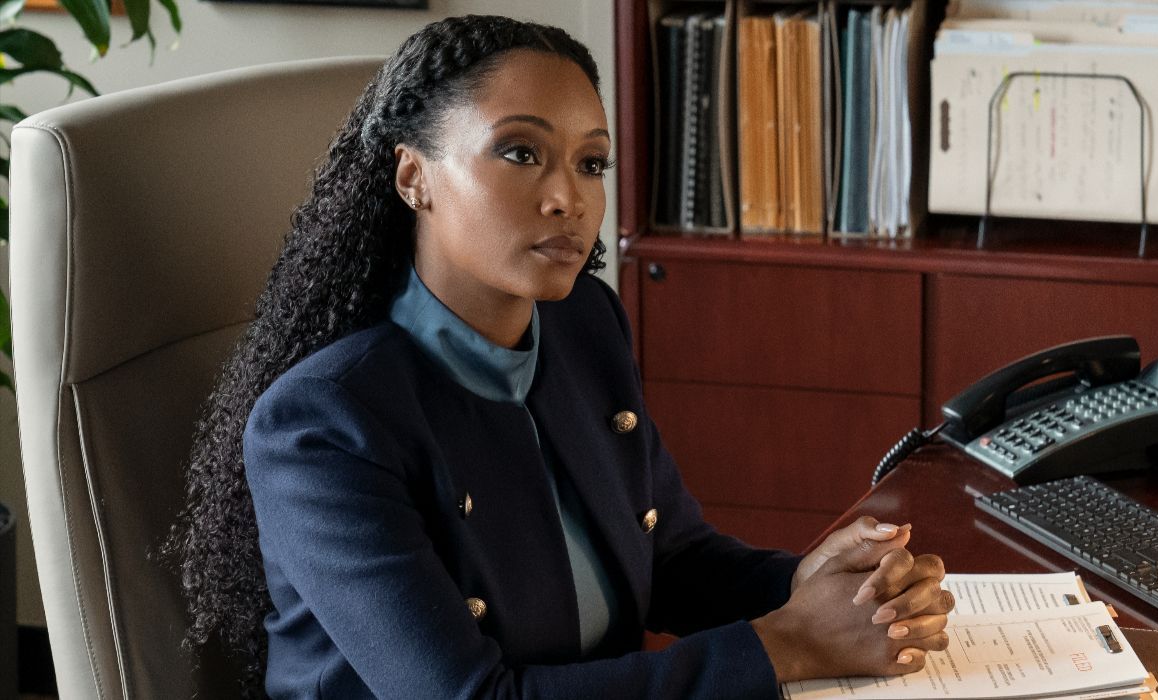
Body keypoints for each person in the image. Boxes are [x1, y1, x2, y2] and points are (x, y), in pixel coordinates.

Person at [163, 15, 952, 699]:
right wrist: (787, 642)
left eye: (591, 162)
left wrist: (829, 590)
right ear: (413, 177)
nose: (566, 198)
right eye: (520, 154)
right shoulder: (321, 426)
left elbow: (668, 555)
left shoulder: (583, 326)